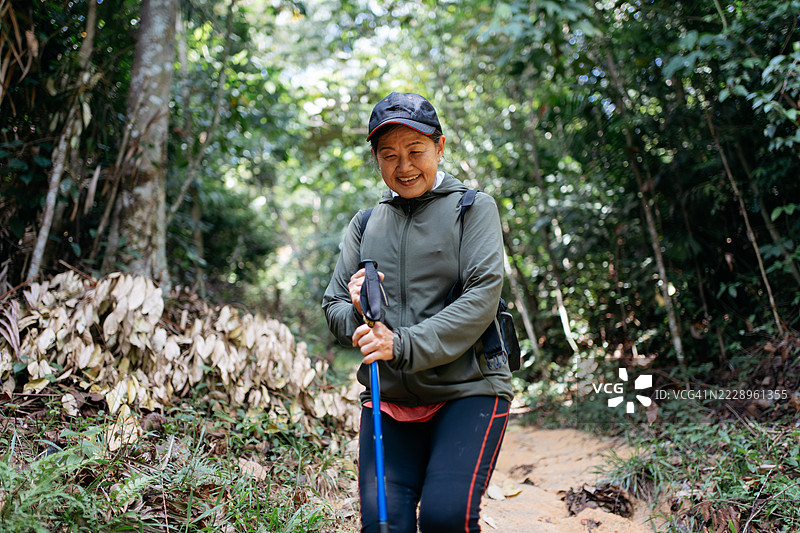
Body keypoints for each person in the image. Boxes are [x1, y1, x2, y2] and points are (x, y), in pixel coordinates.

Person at [322, 91, 513, 533]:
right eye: (389, 156)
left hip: (469, 391)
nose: (404, 167)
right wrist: (358, 314)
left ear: (440, 147)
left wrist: (400, 343)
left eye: (415, 151)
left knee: (447, 519)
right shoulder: (365, 224)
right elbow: (333, 306)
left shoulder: (473, 209)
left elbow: (482, 296)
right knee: (384, 527)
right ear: (376, 159)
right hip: (389, 398)